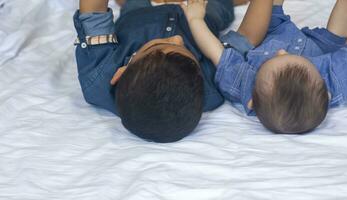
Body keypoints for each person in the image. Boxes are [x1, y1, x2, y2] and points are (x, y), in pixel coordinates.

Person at [182, 0, 347, 134]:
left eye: (272, 61)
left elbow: (216, 52)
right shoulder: (333, 84)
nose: (282, 52)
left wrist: (195, 20)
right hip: (320, 49)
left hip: (276, 33)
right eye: (288, 56)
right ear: (326, 92)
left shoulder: (244, 86)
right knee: (337, 38)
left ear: (252, 101)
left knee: (270, 24)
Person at [73, 0, 244, 143]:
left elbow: (93, 11)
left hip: (139, 15)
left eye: (155, 45)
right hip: (200, 15)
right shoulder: (214, 85)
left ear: (120, 73)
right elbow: (245, 39)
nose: (177, 38)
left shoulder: (99, 76)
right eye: (187, 51)